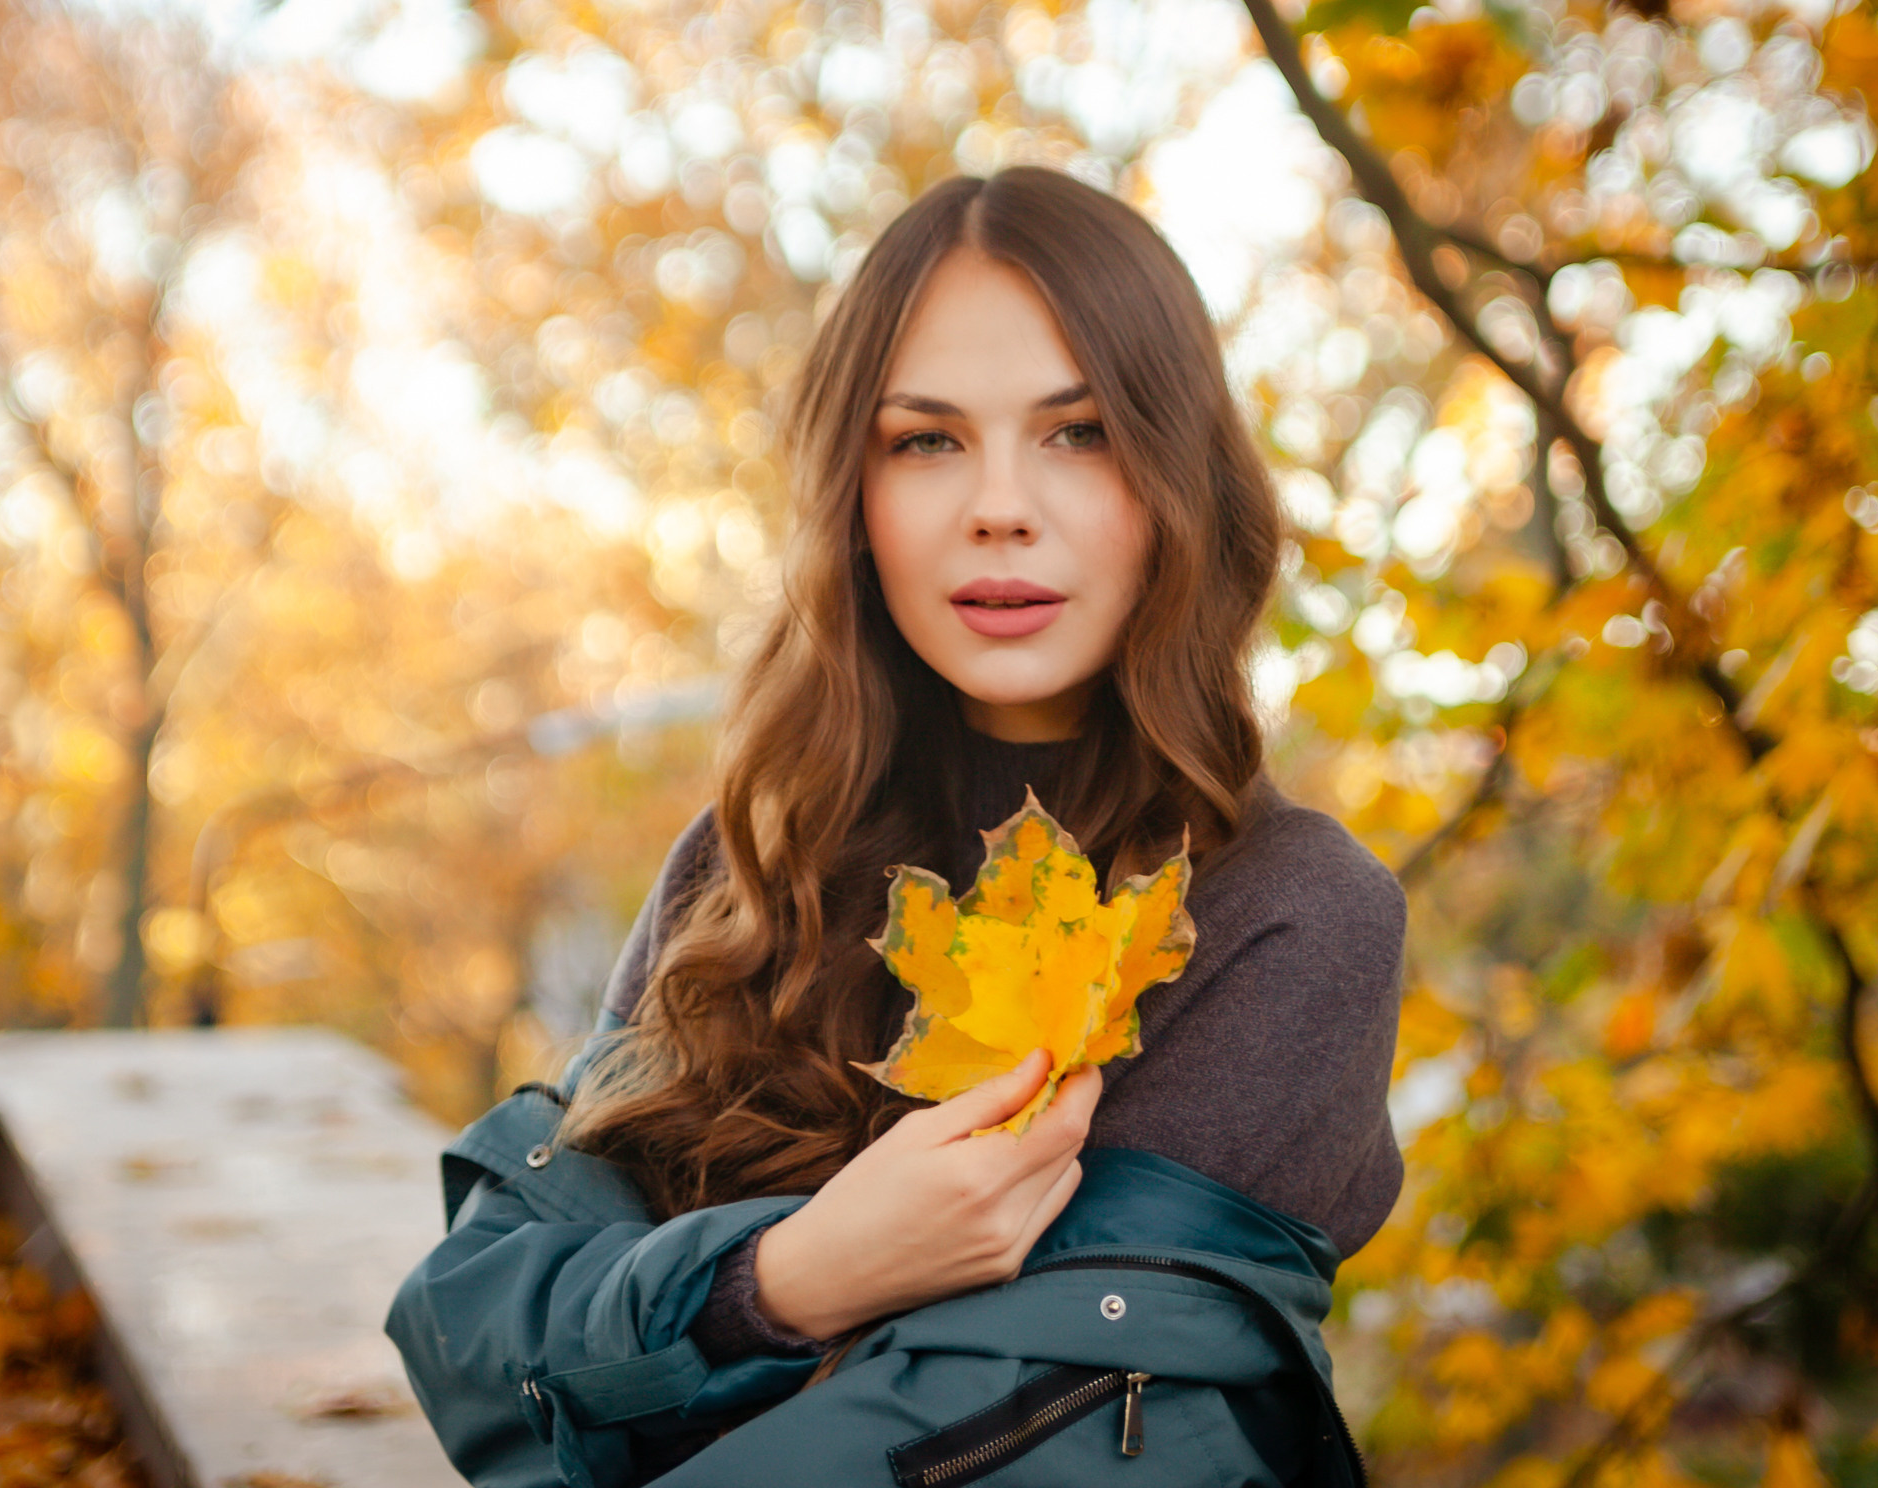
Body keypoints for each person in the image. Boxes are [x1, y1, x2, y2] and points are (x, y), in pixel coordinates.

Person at [387, 165, 1406, 1488]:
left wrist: (662, 1332)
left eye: (1080, 433)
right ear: (854, 502)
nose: (999, 506)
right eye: (927, 441)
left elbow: (1011, 1438)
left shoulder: (1288, 914)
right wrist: (787, 1280)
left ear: (1180, 480)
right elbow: (470, 1328)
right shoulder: (750, 867)